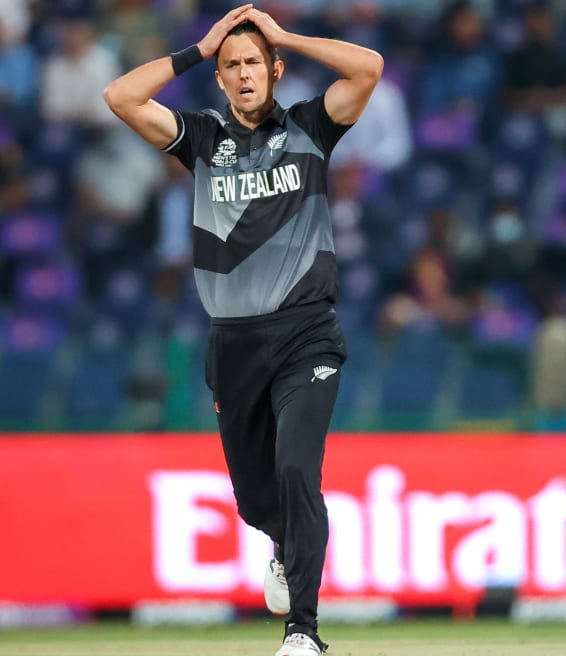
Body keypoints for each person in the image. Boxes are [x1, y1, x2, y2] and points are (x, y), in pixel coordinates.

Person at [103, 5, 383, 656]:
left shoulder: (312, 127)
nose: (243, 73)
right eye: (232, 67)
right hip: (232, 344)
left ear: (275, 70)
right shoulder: (201, 140)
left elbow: (368, 68)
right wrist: (198, 51)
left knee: (295, 471)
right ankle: (284, 544)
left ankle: (304, 633)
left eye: (253, 62)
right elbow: (120, 96)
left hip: (306, 334)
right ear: (222, 82)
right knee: (259, 503)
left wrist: (282, 32)